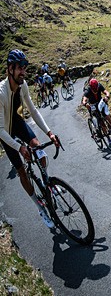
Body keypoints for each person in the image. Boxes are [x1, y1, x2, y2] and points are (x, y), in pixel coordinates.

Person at [0, 50, 61, 228]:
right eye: (19, 68)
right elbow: (0, 130)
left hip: (18, 123)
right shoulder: (1, 93)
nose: (23, 72)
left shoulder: (23, 85)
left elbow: (33, 111)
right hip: (4, 132)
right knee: (21, 171)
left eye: (24, 67)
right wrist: (19, 147)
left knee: (39, 150)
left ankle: (47, 183)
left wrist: (49, 133)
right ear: (10, 69)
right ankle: (40, 207)